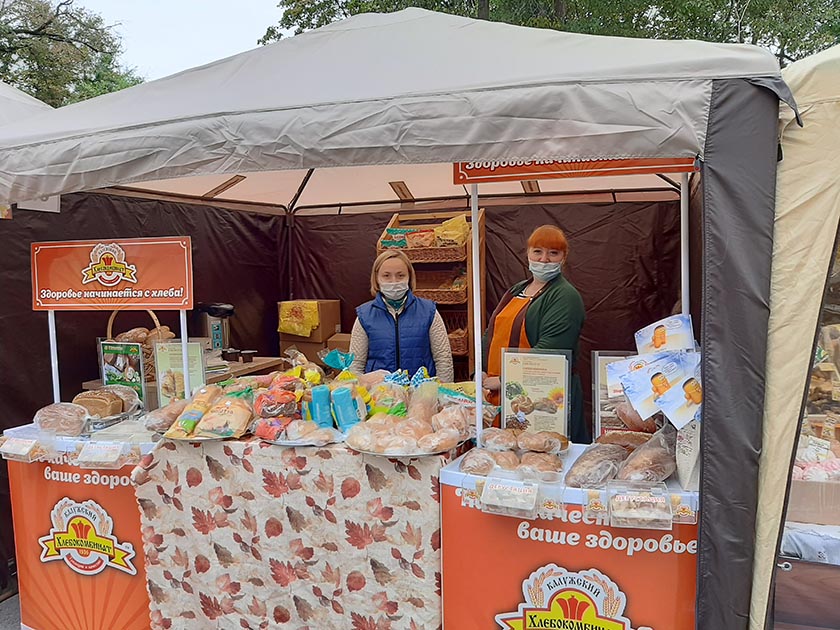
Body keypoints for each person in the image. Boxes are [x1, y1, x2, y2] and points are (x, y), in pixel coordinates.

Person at [482, 225, 588, 442]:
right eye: (537, 251)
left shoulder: (565, 296)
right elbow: (491, 333)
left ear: (564, 257)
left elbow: (550, 351)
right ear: (528, 254)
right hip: (501, 393)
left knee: (542, 450)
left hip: (543, 398)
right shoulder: (517, 289)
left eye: (553, 253)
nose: (544, 259)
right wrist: (481, 371)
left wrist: (504, 379)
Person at [350, 250, 454, 382]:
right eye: (386, 275)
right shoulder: (364, 316)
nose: (394, 281)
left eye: (400, 275)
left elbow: (443, 358)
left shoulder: (429, 311)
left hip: (421, 391)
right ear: (376, 278)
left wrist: (442, 390)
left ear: (409, 277)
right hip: (379, 392)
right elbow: (356, 364)